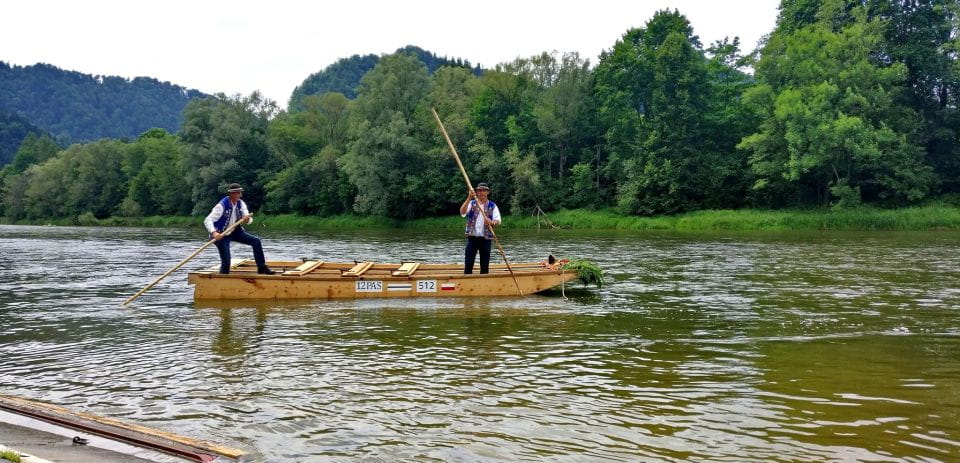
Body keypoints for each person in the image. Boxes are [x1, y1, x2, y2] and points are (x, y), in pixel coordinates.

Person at [203, 183, 275, 275]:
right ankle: (223, 278)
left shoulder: (241, 203)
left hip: (235, 231)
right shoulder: (221, 206)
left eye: (240, 193)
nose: (239, 195)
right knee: (226, 261)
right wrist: (214, 233)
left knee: (256, 242)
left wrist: (247, 220)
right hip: (221, 234)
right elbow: (207, 220)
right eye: (237, 193)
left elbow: (249, 219)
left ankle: (262, 268)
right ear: (231, 194)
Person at [460, 182, 501, 274]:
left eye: (484, 190)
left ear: (488, 192)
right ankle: (467, 279)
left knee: (485, 266)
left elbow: (498, 221)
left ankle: (484, 280)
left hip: (486, 239)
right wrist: (469, 197)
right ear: (477, 192)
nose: (482, 192)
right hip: (472, 238)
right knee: (468, 264)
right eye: (479, 190)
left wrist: (491, 222)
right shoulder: (471, 203)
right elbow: (462, 212)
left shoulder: (492, 205)